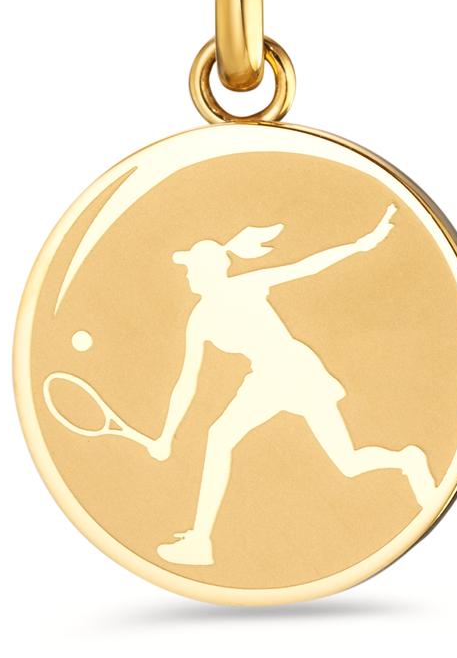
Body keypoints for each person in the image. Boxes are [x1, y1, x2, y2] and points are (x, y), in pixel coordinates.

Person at [145, 204, 438, 566]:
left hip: (295, 370)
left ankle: (407, 460)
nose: (188, 273)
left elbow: (305, 266)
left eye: (191, 267)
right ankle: (200, 541)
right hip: (265, 378)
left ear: (209, 270)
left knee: (347, 463)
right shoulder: (200, 318)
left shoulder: (246, 286)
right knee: (220, 437)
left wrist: (361, 244)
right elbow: (186, 381)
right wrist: (166, 434)